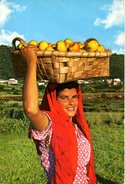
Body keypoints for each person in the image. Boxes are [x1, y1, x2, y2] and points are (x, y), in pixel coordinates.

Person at [21, 45, 96, 184]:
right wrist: (32, 62)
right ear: (53, 101)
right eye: (64, 98)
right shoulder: (49, 124)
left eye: (74, 97)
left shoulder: (76, 127)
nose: (71, 102)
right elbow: (31, 110)